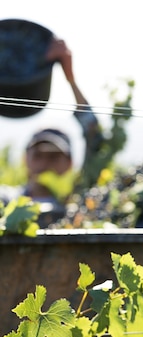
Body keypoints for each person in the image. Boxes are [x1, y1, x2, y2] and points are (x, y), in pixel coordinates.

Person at [0, 37, 105, 224]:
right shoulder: (8, 202)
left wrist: (70, 79)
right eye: (38, 156)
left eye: (54, 157)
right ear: (25, 159)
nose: (45, 164)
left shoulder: (79, 204)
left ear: (70, 163)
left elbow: (95, 138)